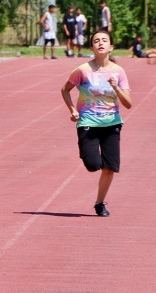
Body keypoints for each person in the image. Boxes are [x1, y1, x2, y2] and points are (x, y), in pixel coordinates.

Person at [61, 30, 132, 217]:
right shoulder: (83, 70)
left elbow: (128, 103)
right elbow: (65, 89)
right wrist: (73, 110)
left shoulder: (118, 72)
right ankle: (90, 153)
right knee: (93, 165)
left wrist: (116, 87)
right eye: (96, 41)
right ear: (92, 47)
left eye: (104, 40)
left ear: (111, 47)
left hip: (112, 123)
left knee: (109, 168)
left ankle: (99, 203)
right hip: (88, 123)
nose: (100, 43)